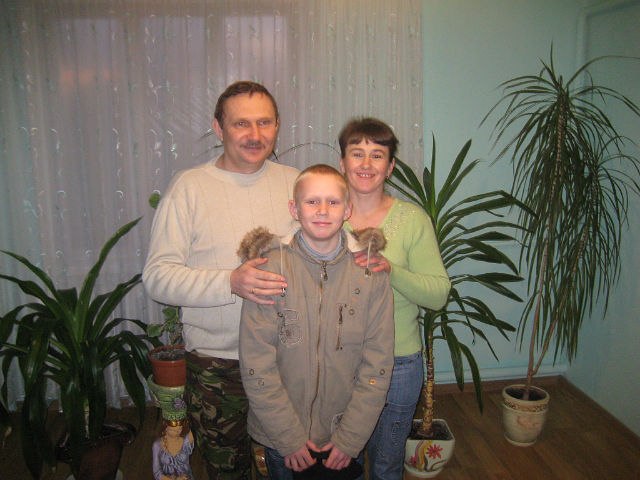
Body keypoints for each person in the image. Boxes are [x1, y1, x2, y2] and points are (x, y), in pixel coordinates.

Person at [143, 80, 300, 480]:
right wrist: (230, 282)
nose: (255, 134)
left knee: (291, 463)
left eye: (265, 122)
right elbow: (157, 278)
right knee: (228, 469)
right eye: (241, 123)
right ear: (218, 128)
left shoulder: (296, 183)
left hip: (287, 358)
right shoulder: (189, 187)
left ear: (278, 124)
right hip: (218, 365)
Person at [238, 164, 395, 480]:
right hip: (282, 435)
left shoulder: (369, 273)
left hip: (344, 434)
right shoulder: (268, 269)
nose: (323, 210)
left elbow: (377, 363)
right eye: (312, 201)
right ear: (294, 209)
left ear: (347, 210)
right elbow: (256, 362)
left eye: (333, 202)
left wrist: (350, 438)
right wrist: (288, 437)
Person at [338, 117, 451, 480]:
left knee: (386, 466)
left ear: (390, 167)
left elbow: (438, 294)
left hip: (397, 363)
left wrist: (391, 270)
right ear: (342, 163)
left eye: (377, 155)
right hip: (338, 361)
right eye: (357, 153)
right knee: (345, 465)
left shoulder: (412, 220)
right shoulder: (324, 215)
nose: (366, 164)